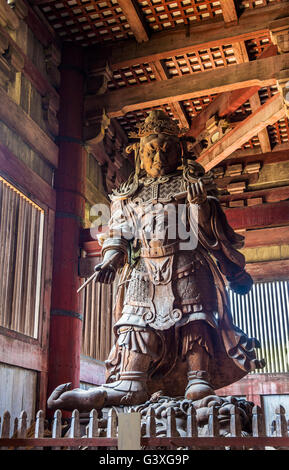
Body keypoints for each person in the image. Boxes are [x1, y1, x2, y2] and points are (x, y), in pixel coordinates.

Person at [47, 110, 265, 412]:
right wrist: (110, 260)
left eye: (166, 148)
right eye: (151, 150)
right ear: (139, 154)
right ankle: (129, 384)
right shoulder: (128, 194)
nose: (158, 155)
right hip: (143, 272)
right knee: (135, 323)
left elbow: (210, 227)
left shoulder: (192, 182)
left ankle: (198, 378)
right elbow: (118, 233)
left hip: (187, 265)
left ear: (179, 151)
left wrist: (199, 203)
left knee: (195, 317)